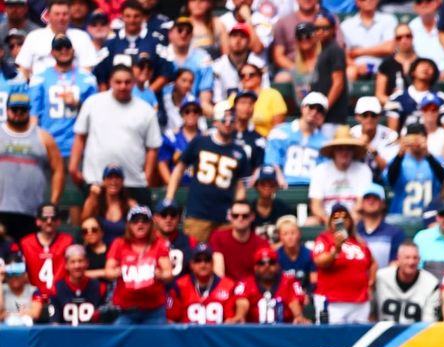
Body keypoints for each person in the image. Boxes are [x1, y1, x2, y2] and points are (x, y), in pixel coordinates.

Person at [70, 64, 161, 204]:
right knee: (92, 217)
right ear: (110, 82)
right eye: (118, 82)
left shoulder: (146, 110)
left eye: (127, 82)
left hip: (134, 182)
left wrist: (147, 178)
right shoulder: (92, 103)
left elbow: (153, 148)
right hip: (96, 180)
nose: (123, 86)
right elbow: (80, 137)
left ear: (134, 83)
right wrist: (73, 168)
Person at [167, 104, 251, 242]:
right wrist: (169, 198)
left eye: (231, 120)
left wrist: (237, 212)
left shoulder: (239, 151)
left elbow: (240, 185)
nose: (228, 123)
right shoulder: (200, 142)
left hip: (225, 217)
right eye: (224, 120)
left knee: (225, 254)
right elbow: (179, 169)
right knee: (194, 252)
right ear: (215, 122)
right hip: (198, 214)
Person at [0, 90, 65, 242]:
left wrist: (53, 203)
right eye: (14, 109)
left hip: (32, 211)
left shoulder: (44, 137)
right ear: (7, 110)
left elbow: (58, 170)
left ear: (29, 111)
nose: (18, 113)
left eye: (23, 110)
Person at [27, 33, 98, 160]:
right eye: (59, 47)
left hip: (77, 147)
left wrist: (78, 104)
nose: (63, 50)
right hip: (48, 145)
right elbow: (33, 115)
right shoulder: (39, 78)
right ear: (52, 53)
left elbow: (95, 114)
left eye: (67, 46)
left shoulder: (88, 79)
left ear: (73, 50)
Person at [105, 204, 173, 324]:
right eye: (135, 221)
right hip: (126, 310)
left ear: (151, 224)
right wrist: (119, 272)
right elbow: (108, 272)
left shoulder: (159, 244)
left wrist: (160, 274)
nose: (140, 224)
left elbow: (168, 273)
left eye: (144, 221)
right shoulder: (119, 243)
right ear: (129, 225)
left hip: (154, 310)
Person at [312, 204, 375, 323]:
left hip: (359, 302)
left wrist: (371, 283)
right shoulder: (324, 239)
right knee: (330, 334)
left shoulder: (359, 242)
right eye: (336, 218)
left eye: (345, 217)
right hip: (332, 301)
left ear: (350, 221)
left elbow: (372, 263)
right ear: (330, 221)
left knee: (359, 334)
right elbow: (319, 262)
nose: (341, 221)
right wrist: (336, 249)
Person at [308, 126, 373, 224]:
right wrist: (328, 220)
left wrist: (348, 221)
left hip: (354, 217)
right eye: (340, 148)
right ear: (333, 151)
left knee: (361, 218)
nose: (344, 152)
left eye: (348, 149)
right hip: (326, 218)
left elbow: (360, 204)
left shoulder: (363, 170)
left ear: (353, 151)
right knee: (310, 223)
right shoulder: (320, 170)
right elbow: (316, 206)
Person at [386, 123, 444, 222]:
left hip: (429, 218)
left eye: (419, 137)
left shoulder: (436, 160)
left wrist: (428, 154)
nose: (415, 141)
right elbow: (390, 180)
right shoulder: (398, 161)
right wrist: (400, 153)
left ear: (426, 138)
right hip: (401, 217)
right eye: (412, 137)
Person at [264, 92, 329, 187]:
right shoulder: (280, 132)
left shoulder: (325, 142)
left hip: (313, 188)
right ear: (303, 108)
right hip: (284, 186)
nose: (315, 112)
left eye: (320, 110)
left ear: (324, 116)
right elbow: (272, 160)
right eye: (311, 107)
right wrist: (278, 176)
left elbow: (325, 169)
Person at [231, 244, 308, 323]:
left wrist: (298, 316)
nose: (267, 266)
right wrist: (240, 316)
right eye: (262, 263)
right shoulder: (245, 283)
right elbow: (242, 302)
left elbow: (294, 301)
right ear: (255, 267)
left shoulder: (290, 282)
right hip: (253, 329)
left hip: (284, 328)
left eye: (271, 262)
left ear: (277, 266)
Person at [167, 242, 237, 324]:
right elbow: (171, 319)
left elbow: (231, 320)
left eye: (207, 260)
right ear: (191, 264)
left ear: (213, 263)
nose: (203, 264)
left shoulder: (228, 286)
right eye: (198, 260)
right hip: (189, 332)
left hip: (217, 332)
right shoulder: (180, 286)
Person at [374, 242, 441, 323]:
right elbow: (369, 313)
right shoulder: (380, 278)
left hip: (418, 331)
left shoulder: (431, 283)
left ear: (419, 260)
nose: (411, 262)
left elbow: (429, 322)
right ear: (398, 259)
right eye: (407, 257)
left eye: (415, 258)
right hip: (383, 330)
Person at [41, 243, 105, 325]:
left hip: (92, 332)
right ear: (66, 265)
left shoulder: (100, 288)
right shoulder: (55, 290)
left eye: (80, 261)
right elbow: (54, 322)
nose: (77, 266)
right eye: (72, 262)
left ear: (87, 263)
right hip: (65, 332)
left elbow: (104, 321)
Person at [19, 203, 73, 296]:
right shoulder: (26, 243)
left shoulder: (68, 241)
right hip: (33, 296)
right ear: (38, 221)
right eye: (45, 218)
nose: (49, 221)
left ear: (59, 221)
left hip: (62, 296)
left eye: (53, 218)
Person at [342, 0, 399, 80]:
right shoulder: (346, 25)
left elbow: (390, 48)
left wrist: (358, 52)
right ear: (357, 2)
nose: (368, 1)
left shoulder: (388, 19)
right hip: (357, 66)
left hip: (383, 65)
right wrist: (356, 66)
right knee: (350, 72)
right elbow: (344, 54)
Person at [356, 183, 406, 270]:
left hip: (384, 277)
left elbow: (395, 263)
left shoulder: (395, 233)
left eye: (375, 198)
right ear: (362, 203)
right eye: (367, 198)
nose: (371, 201)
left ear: (383, 203)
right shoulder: (353, 231)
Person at [352, 96, 400, 177]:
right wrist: (357, 147)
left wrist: (371, 149)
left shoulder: (390, 136)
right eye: (365, 115)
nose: (369, 119)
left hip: (381, 180)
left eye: (373, 115)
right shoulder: (351, 135)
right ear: (357, 117)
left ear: (379, 116)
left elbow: (389, 171)